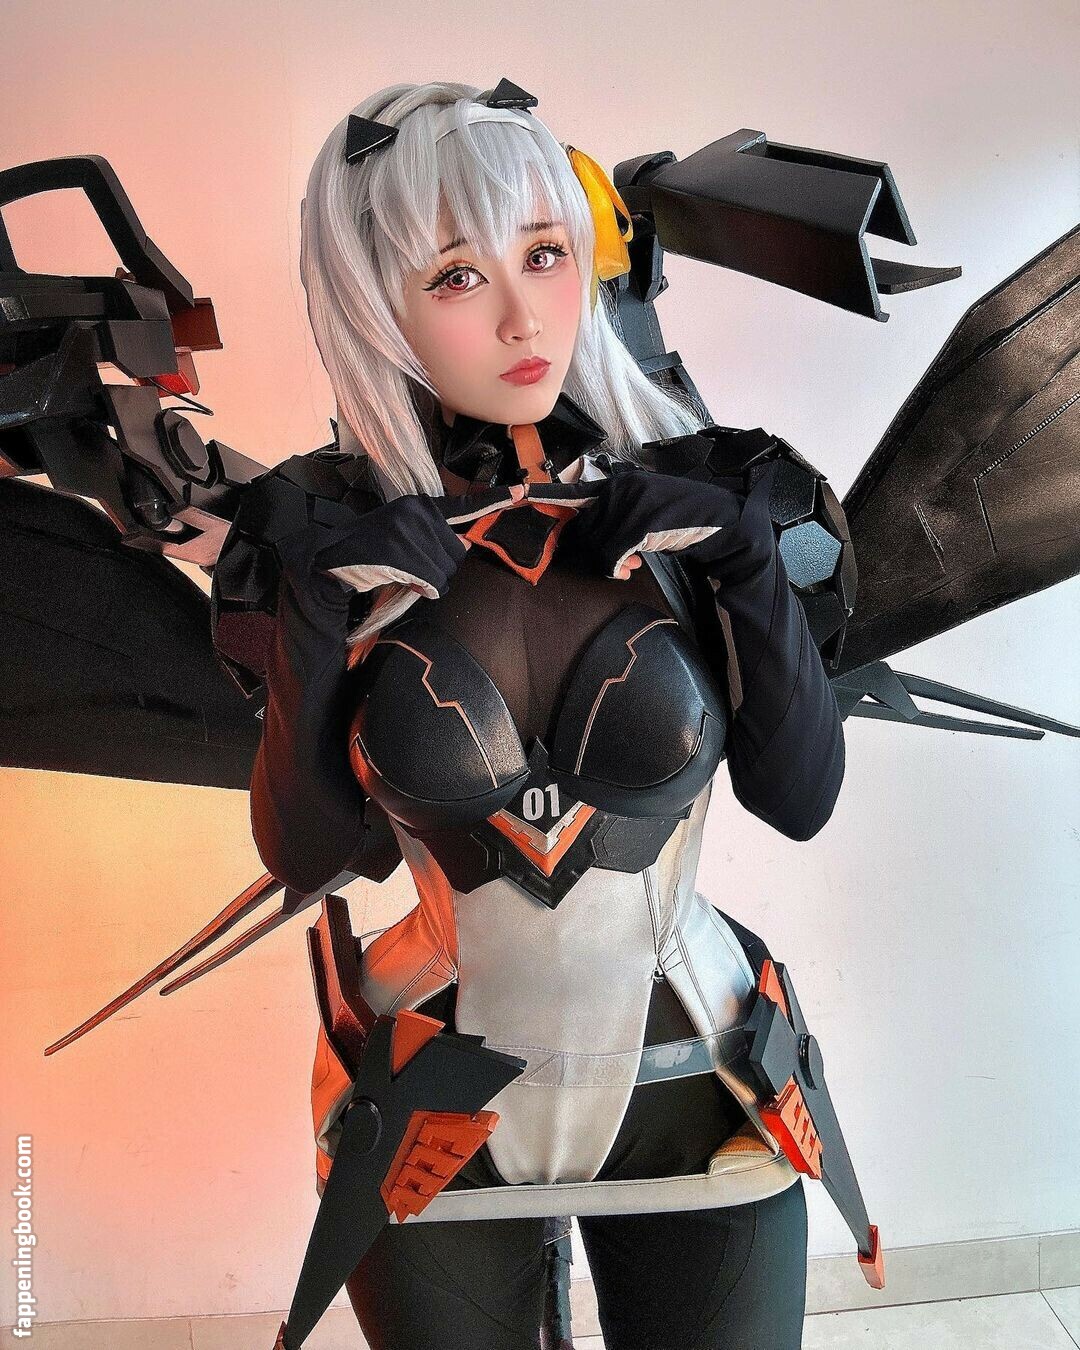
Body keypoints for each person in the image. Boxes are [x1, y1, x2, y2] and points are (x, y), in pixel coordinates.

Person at [249, 78, 845, 1350]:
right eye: (458, 277)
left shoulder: (712, 493)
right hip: (429, 1114)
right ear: (373, 301)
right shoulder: (322, 531)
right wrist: (313, 618)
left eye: (545, 253)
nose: (526, 318)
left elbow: (800, 802)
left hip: (705, 1087)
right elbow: (313, 856)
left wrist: (746, 562)